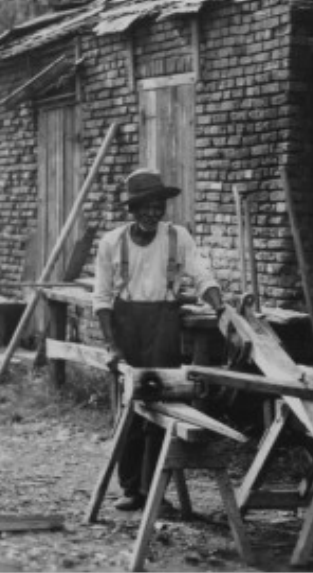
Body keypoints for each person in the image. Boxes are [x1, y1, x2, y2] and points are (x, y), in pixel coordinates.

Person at [92, 168, 224, 512]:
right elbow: (102, 299)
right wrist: (112, 345)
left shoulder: (178, 237)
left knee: (160, 404)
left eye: (158, 206)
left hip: (163, 326)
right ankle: (131, 488)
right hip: (126, 327)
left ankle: (154, 491)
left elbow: (201, 274)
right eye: (144, 207)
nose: (152, 213)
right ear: (132, 210)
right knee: (130, 408)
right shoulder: (111, 243)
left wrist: (221, 306)